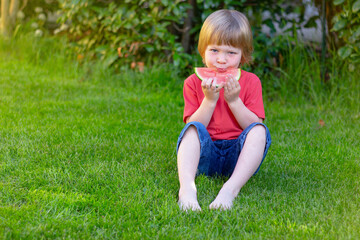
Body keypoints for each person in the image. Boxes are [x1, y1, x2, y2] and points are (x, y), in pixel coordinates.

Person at [176, 9, 271, 211]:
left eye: (231, 52)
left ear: (243, 55)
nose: (221, 59)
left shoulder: (252, 82)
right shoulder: (192, 83)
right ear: (203, 51)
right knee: (191, 130)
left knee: (260, 131)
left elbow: (254, 125)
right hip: (205, 154)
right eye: (215, 50)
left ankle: (230, 190)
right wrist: (209, 101)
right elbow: (193, 125)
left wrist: (234, 101)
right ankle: (187, 189)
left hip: (239, 158)